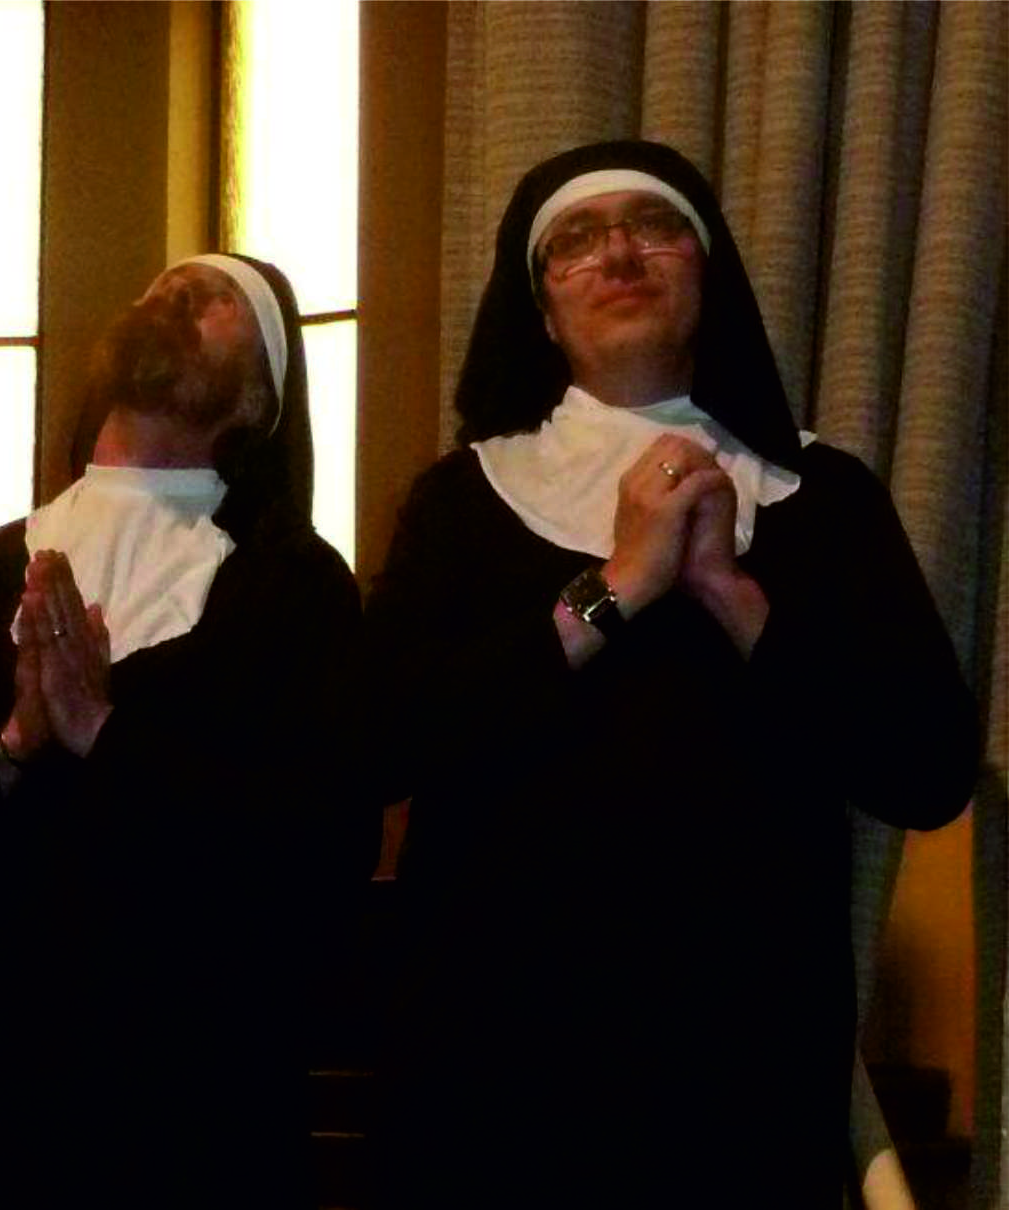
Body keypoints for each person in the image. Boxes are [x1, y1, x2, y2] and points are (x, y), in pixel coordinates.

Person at [362, 140, 978, 1206]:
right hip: (496, 1061)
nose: (619, 255)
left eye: (654, 228)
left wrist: (733, 596)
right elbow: (382, 739)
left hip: (743, 1068)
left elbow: (927, 766)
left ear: (709, 276)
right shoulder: (462, 500)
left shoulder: (821, 498)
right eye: (576, 240)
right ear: (542, 310)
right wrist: (616, 588)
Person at [0, 254, 369, 1206]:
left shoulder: (296, 584)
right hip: (2, 1088)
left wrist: (107, 735)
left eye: (222, 299)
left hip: (201, 1097)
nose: (179, 293)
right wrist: (15, 745)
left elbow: (321, 844)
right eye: (164, 288)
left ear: (259, 403)